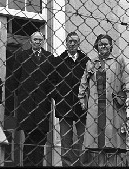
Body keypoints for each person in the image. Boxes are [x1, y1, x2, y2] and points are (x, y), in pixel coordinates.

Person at [78, 34, 129, 166]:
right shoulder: (91, 62)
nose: (103, 46)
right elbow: (83, 83)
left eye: (106, 43)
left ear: (111, 46)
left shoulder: (118, 61)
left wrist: (128, 95)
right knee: (97, 144)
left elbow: (127, 80)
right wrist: (82, 99)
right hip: (95, 107)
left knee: (113, 142)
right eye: (100, 44)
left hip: (113, 106)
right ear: (96, 46)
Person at [11, 31, 55, 167]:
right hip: (27, 104)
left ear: (43, 41)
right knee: (29, 138)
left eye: (40, 40)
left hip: (43, 104)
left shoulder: (49, 57)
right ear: (30, 41)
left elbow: (52, 80)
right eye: (35, 39)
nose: (37, 42)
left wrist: (48, 96)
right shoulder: (22, 55)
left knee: (41, 138)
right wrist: (23, 95)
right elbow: (14, 80)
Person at [53, 32, 89, 166]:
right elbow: (51, 81)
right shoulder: (58, 61)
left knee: (84, 141)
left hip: (82, 107)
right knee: (66, 142)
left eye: (75, 41)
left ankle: (83, 166)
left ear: (79, 43)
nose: (72, 44)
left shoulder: (86, 61)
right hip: (64, 106)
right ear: (66, 43)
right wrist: (57, 95)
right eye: (70, 41)